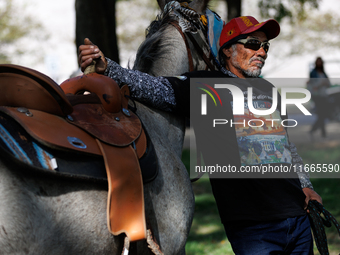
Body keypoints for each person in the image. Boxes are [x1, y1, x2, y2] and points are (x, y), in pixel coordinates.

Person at [79, 16, 322, 254]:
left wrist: (306, 186)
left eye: (265, 46)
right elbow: (154, 87)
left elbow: (286, 146)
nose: (262, 52)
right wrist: (108, 67)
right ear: (228, 50)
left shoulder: (268, 89)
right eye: (253, 44)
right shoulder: (206, 86)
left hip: (298, 217)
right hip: (254, 227)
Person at [307, 56, 331, 138]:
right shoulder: (313, 73)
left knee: (323, 115)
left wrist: (325, 83)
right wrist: (320, 84)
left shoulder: (323, 73)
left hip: (324, 95)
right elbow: (312, 85)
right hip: (317, 96)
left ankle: (315, 131)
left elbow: (329, 83)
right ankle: (322, 133)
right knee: (322, 114)